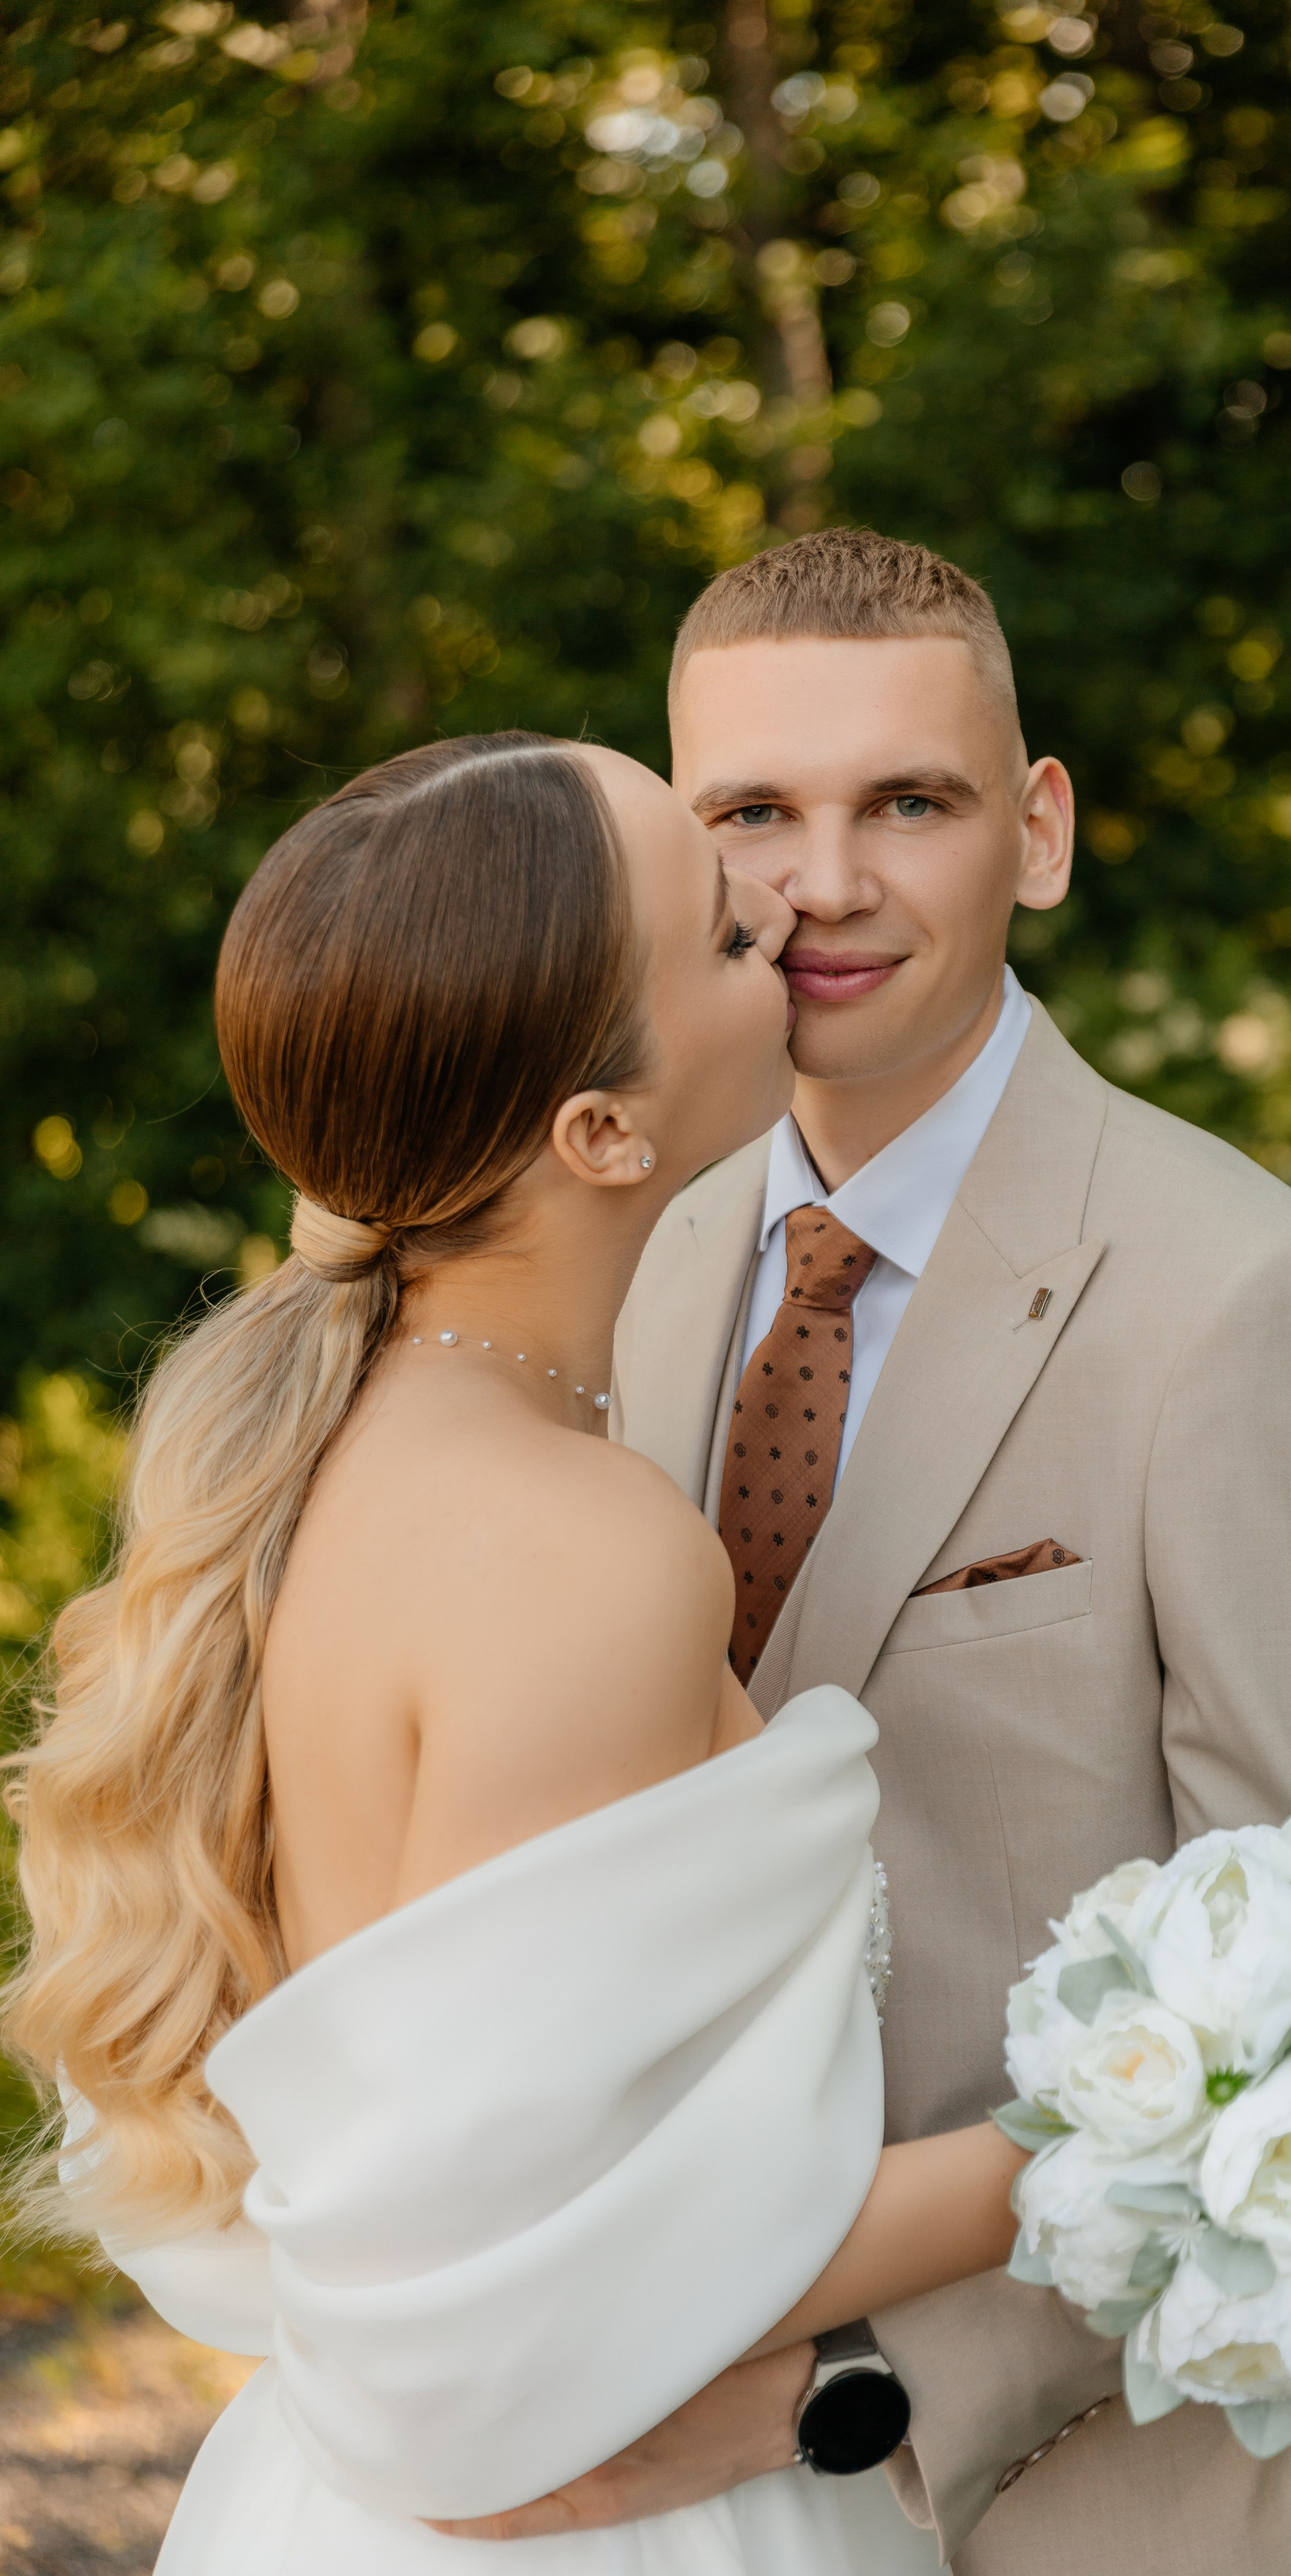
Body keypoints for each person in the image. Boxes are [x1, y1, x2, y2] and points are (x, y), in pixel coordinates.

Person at [3, 732, 1033, 2573]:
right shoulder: (584, 1550)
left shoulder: (356, 1437)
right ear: (603, 1133)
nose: (794, 905)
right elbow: (541, 2282)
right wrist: (1148, 2141)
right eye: (725, 930)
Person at [604, 531, 1291, 2575]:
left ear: (1042, 829)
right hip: (664, 2455)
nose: (824, 885)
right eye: (753, 814)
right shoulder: (626, 1261)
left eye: (908, 802)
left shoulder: (1262, 1307)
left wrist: (843, 2397)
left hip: (1112, 2488)